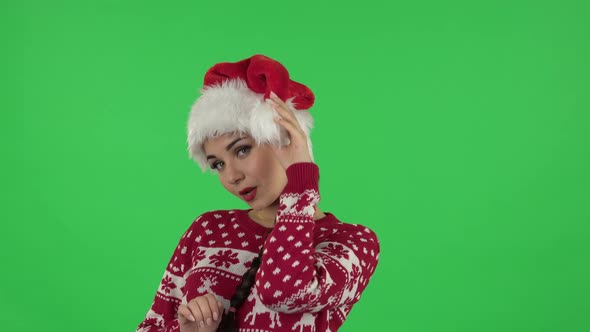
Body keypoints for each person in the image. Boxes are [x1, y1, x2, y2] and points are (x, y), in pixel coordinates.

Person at [135, 54, 380, 332]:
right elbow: (150, 327)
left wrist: (301, 180)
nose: (231, 176)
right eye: (217, 164)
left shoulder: (353, 243)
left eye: (242, 149)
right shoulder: (208, 229)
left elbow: (285, 293)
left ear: (282, 138)